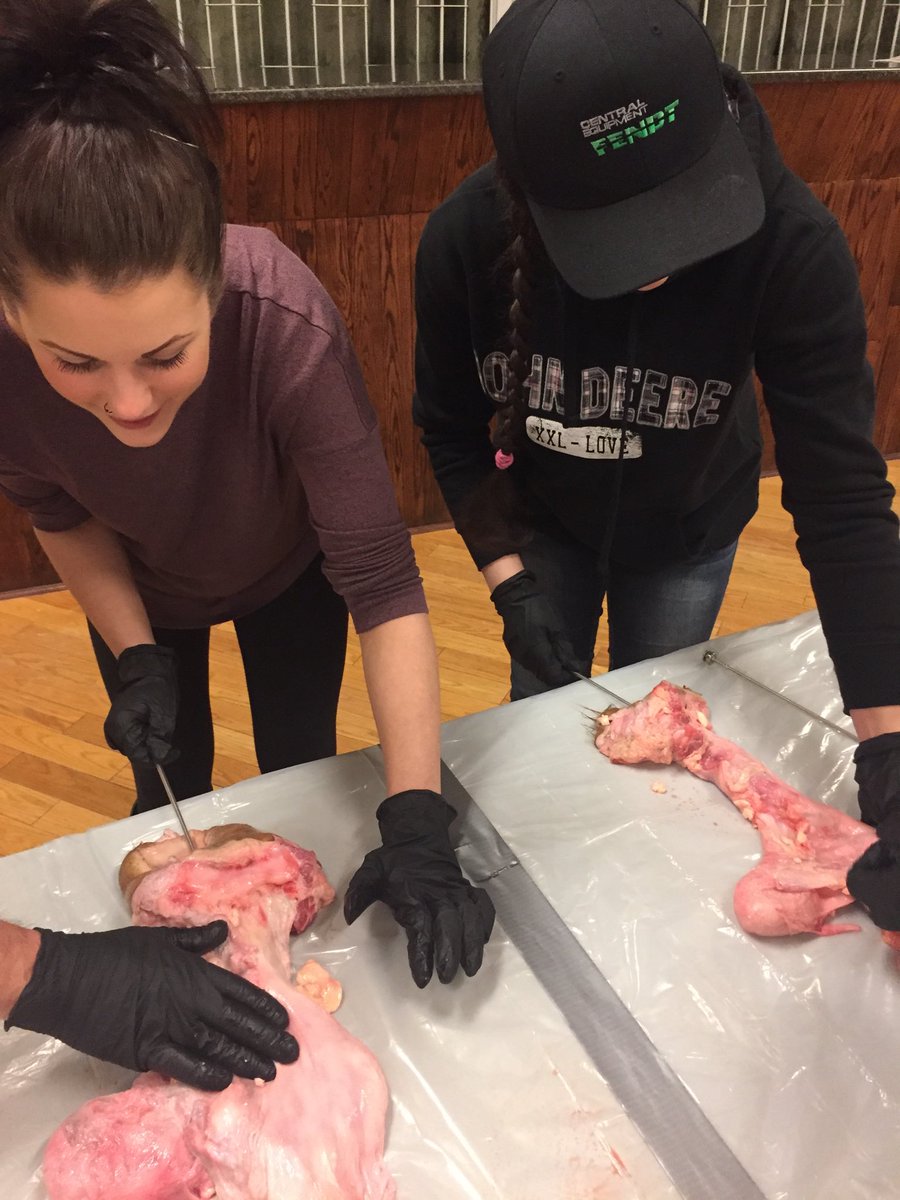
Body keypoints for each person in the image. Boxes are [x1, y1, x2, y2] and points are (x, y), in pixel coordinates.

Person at [0, 0, 494, 1088]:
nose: (129, 404)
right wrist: (135, 649)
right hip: (140, 585)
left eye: (164, 354)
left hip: (286, 574)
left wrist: (417, 815)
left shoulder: (284, 319)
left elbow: (383, 584)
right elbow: (59, 512)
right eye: (75, 364)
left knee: (296, 762)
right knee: (162, 791)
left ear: (216, 287)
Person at [413, 0, 900, 934]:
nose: (654, 270)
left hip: (688, 530)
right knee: (544, 726)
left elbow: (843, 500)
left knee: (669, 745)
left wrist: (890, 757)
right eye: (615, 236)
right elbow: (448, 430)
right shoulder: (465, 239)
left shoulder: (791, 241)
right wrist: (511, 586)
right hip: (541, 529)